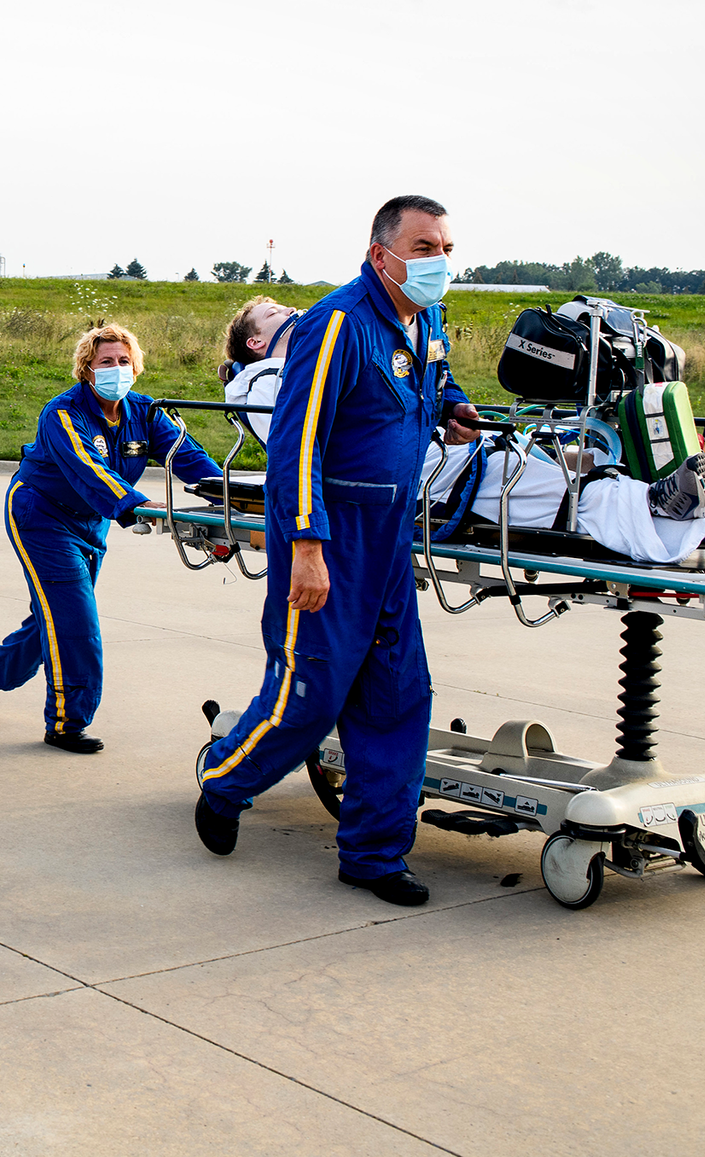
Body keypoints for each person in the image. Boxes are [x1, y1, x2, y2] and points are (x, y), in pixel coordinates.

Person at [196, 195, 481, 907]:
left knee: (397, 696)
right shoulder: (338, 324)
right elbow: (297, 443)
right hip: (333, 532)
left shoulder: (427, 318)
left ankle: (375, 854)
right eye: (422, 247)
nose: (437, 260)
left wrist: (452, 405)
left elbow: (432, 381)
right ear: (381, 253)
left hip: (390, 535)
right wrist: (309, 546)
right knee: (310, 692)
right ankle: (226, 784)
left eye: (444, 245)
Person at [220, 297, 705, 562]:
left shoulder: (339, 345)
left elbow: (410, 390)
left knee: (568, 449)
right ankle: (666, 510)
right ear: (255, 341)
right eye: (276, 314)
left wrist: (450, 407)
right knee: (554, 490)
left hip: (440, 457)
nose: (294, 313)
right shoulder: (262, 381)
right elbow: (306, 437)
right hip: (418, 479)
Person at [0, 324, 225, 753]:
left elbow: (189, 456)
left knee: (53, 619)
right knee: (76, 622)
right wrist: (131, 506)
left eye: (124, 361)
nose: (116, 369)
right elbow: (87, 467)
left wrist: (233, 497)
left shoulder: (144, 413)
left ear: (137, 368)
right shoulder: (62, 413)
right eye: (106, 362)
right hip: (43, 518)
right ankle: (67, 724)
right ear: (87, 369)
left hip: (93, 521)